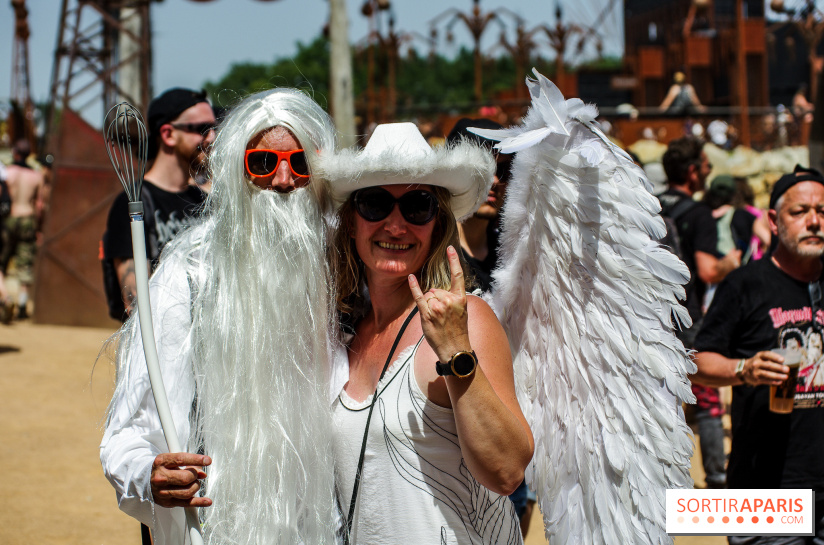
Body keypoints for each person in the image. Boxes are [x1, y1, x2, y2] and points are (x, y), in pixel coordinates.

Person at [100, 88, 340, 545]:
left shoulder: (342, 270)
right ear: (235, 168)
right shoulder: (186, 275)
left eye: (302, 163)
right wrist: (147, 472)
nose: (285, 180)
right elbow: (126, 433)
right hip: (213, 529)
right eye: (264, 163)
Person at [321, 123, 534, 544]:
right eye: (375, 204)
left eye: (417, 206)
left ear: (436, 225)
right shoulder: (342, 334)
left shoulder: (467, 319)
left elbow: (507, 471)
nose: (395, 225)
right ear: (351, 222)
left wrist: (456, 353)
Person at [692, 165, 824, 544]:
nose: (814, 221)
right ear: (774, 221)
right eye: (799, 212)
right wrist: (744, 369)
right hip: (765, 489)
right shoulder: (745, 283)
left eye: (822, 211)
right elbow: (697, 361)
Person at [444, 117, 536, 535]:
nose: (497, 181)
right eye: (484, 168)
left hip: (514, 437)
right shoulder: (426, 254)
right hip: (445, 446)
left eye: (507, 169)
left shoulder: (521, 251)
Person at [660, 137, 741, 489]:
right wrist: (733, 263)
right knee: (706, 399)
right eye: (706, 165)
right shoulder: (699, 213)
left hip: (647, 317)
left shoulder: (649, 203)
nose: (709, 171)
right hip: (686, 318)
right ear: (693, 171)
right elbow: (707, 271)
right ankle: (717, 478)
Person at [102, 88, 214, 321]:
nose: (212, 137)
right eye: (201, 129)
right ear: (168, 134)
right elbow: (134, 301)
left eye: (214, 128)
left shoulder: (206, 201)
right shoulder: (134, 203)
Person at [0, 139, 45, 321]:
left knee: (1, 261)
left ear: (15, 152)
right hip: (27, 218)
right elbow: (39, 205)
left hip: (7, 219)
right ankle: (22, 305)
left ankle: (5, 298)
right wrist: (38, 228)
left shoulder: (7, 173)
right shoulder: (37, 176)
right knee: (25, 264)